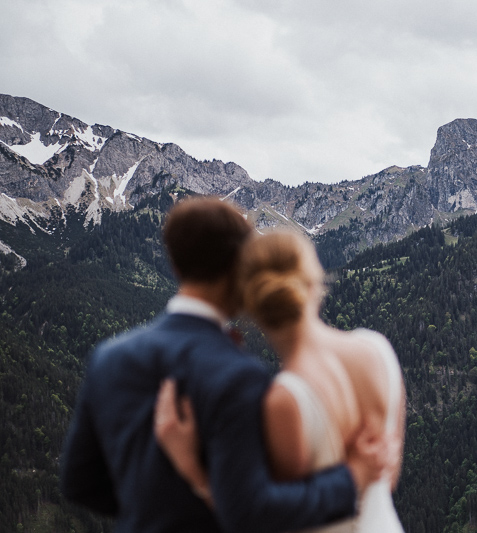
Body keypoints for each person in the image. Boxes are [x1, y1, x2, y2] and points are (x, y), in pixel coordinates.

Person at [60, 197, 383, 533]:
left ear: (174, 263)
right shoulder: (239, 375)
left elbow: (79, 483)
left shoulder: (109, 357)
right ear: (238, 266)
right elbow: (253, 510)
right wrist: (351, 478)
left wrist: (147, 509)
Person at [154, 229, 406, 532]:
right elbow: (386, 479)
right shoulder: (377, 350)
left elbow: (272, 520)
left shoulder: (286, 399)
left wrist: (191, 469)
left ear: (248, 302)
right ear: (314, 279)